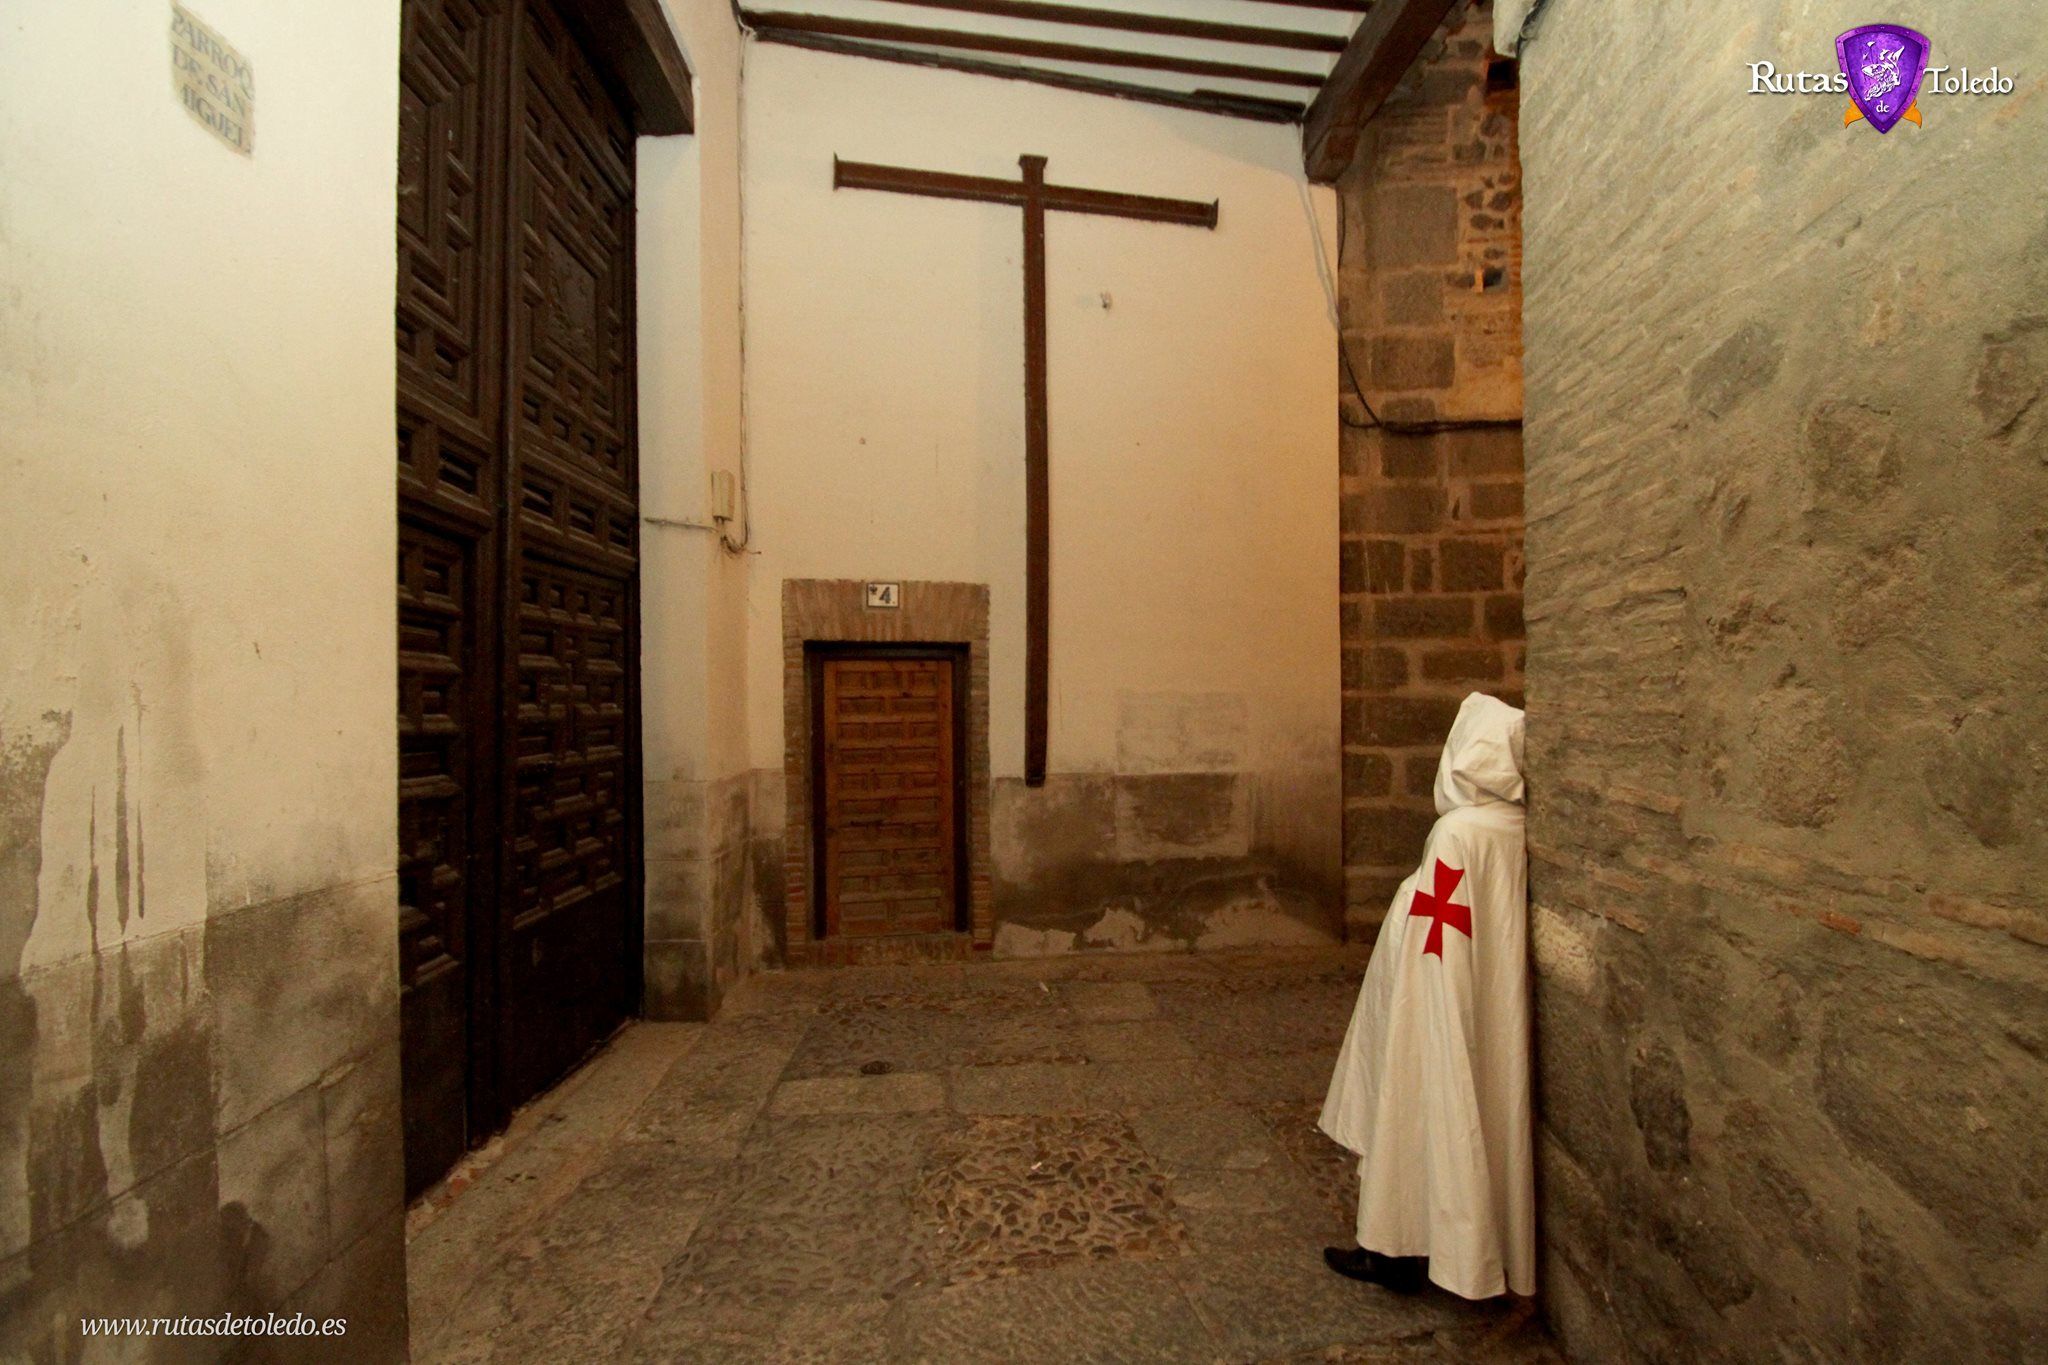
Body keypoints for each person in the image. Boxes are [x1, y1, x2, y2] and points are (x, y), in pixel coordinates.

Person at [1318, 692, 1533, 1300]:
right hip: (1481, 1002)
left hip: (1432, 997)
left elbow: (1436, 930)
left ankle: (1395, 1248)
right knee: (1475, 1112)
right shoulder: (1511, 829)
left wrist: (1415, 1006)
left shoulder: (1460, 832)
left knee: (1418, 1107)